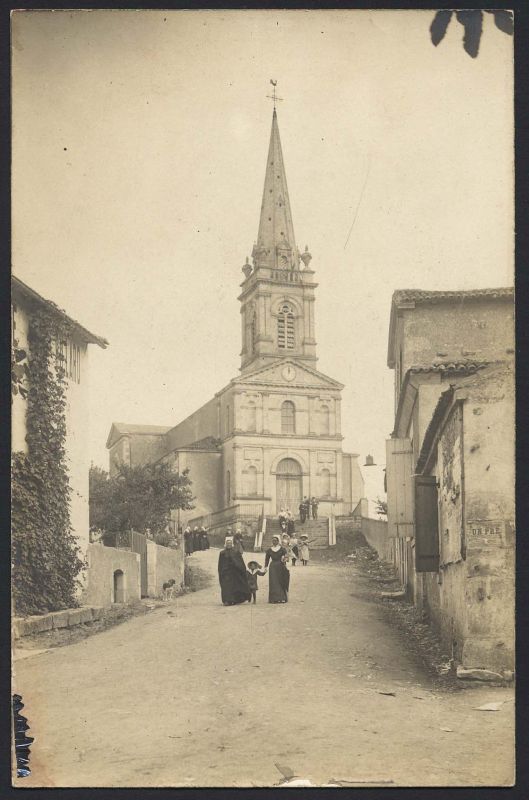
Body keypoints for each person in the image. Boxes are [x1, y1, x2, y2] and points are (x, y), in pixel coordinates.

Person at [218, 536, 251, 605]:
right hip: (226, 573)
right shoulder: (222, 553)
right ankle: (227, 600)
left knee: (234, 587)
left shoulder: (235, 552)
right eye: (227, 543)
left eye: (230, 543)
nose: (229, 545)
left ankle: (233, 600)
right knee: (226, 587)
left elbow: (240, 562)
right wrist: (221, 572)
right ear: (225, 544)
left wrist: (241, 569)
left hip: (234, 573)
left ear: (232, 544)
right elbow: (220, 564)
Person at [265, 535, 290, 603]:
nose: (274, 542)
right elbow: (267, 559)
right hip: (272, 567)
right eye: (273, 540)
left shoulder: (282, 549)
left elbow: (287, 557)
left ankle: (282, 598)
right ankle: (273, 599)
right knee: (273, 583)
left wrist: (284, 559)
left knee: (281, 582)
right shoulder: (269, 550)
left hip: (280, 566)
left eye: (275, 540)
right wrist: (265, 567)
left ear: (278, 541)